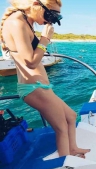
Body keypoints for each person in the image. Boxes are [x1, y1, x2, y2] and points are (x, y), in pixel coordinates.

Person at [1, 0, 90, 157]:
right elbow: (30, 62)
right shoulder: (16, 22)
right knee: (61, 127)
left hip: (41, 87)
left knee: (71, 116)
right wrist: (44, 40)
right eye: (50, 14)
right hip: (33, 88)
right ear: (36, 4)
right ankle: (65, 166)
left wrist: (42, 40)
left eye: (55, 16)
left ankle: (73, 149)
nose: (51, 20)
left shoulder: (27, 21)